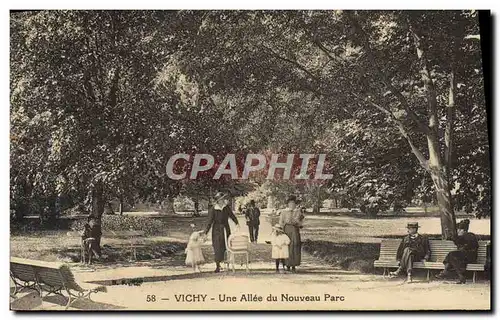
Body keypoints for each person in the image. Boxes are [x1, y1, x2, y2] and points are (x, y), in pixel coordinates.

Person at [204, 192, 240, 273]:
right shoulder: (213, 209)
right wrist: (205, 232)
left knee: (225, 247)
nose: (224, 200)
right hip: (216, 230)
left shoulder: (226, 208)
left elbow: (232, 216)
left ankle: (226, 264)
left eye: (224, 198)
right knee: (217, 247)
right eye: (222, 199)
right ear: (219, 200)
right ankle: (217, 265)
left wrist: (237, 223)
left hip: (226, 229)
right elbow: (209, 222)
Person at [435, 219, 478, 284]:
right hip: (464, 257)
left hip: (470, 257)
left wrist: (454, 238)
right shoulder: (464, 237)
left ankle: (446, 272)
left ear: (464, 230)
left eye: (459, 230)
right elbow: (458, 241)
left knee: (452, 255)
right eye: (458, 229)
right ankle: (459, 276)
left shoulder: (470, 236)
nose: (458, 231)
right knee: (453, 257)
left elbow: (466, 245)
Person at [279, 195, 303, 273]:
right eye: (290, 203)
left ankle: (294, 264)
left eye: (293, 203)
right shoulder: (283, 212)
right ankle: (287, 264)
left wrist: (298, 223)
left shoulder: (298, 212)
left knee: (295, 246)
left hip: (295, 230)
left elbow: (301, 223)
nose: (292, 205)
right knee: (287, 246)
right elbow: (281, 222)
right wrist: (281, 230)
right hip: (287, 230)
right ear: (288, 204)